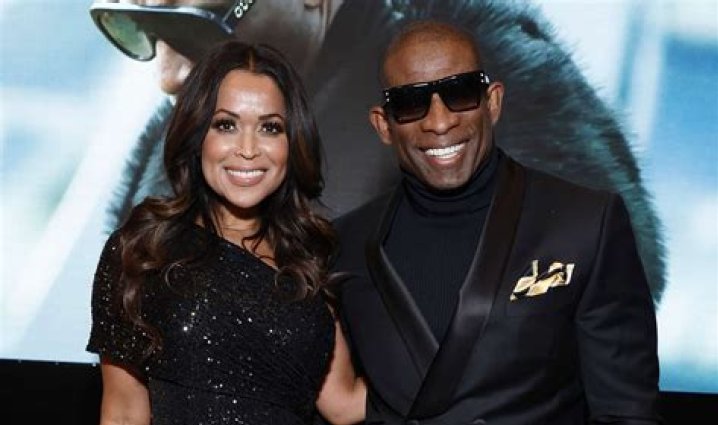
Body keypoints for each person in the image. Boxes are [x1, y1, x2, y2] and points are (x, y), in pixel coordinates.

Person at [88, 0, 666, 303]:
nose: (167, 75)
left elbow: (612, 279)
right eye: (138, 25)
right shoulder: (175, 157)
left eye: (196, 26)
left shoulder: (467, 92)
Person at [334, 21, 663, 425]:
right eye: (411, 103)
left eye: (460, 93)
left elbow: (627, 420)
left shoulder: (585, 223)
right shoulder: (345, 244)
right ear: (383, 124)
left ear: (492, 102)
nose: (440, 121)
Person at [86, 41, 365, 425]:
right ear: (197, 134)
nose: (248, 149)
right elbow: (124, 417)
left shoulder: (308, 256)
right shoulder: (146, 250)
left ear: (292, 142)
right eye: (226, 125)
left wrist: (461, 361)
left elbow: (342, 404)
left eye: (270, 128)